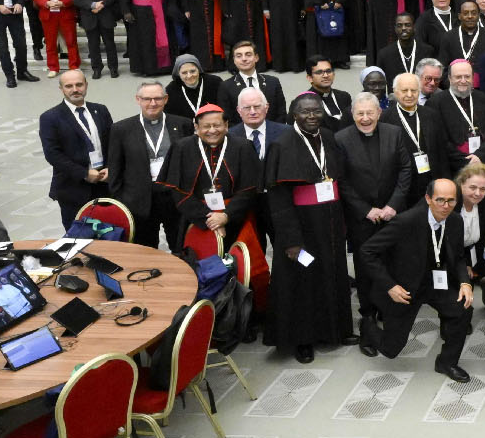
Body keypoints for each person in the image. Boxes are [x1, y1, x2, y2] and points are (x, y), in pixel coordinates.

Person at [263, 93, 354, 363]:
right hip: (300, 228)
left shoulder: (328, 137)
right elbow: (278, 199)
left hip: (329, 222)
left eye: (316, 111)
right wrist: (291, 240)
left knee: (333, 274)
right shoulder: (282, 144)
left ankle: (335, 331)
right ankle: (303, 339)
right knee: (302, 281)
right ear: (294, 114)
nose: (312, 116)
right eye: (305, 112)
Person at [357, 178, 475, 383]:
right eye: (440, 200)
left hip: (435, 283)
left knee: (463, 308)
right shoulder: (406, 221)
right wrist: (390, 286)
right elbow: (367, 251)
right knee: (391, 349)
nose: (446, 206)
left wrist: (465, 282)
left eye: (451, 201)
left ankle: (447, 362)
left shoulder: (456, 221)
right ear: (428, 198)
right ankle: (366, 325)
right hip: (404, 288)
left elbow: (458, 257)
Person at [334, 92, 416, 332]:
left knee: (393, 261)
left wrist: (393, 205)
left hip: (392, 213)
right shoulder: (341, 139)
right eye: (360, 113)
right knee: (364, 265)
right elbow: (342, 181)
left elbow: (405, 170)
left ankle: (390, 308)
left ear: (379, 113)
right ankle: (367, 313)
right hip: (363, 217)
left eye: (370, 112)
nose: (366, 118)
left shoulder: (394, 133)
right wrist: (366, 210)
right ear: (352, 114)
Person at [159, 103, 262, 263]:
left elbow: (249, 188)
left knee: (240, 268)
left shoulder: (243, 146)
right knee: (199, 267)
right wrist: (208, 218)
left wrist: (226, 216)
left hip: (236, 219)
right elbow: (178, 190)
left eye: (217, 125)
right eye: (206, 126)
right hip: (196, 220)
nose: (212, 130)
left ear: (226, 125)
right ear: (196, 127)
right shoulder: (182, 147)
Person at [106, 81, 193, 252]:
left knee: (181, 247)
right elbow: (115, 168)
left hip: (175, 197)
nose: (153, 103)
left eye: (158, 98)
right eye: (147, 99)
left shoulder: (183, 124)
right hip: (140, 201)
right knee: (145, 251)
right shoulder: (121, 129)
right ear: (138, 99)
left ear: (166, 99)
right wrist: (123, 200)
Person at [38, 69, 113, 227]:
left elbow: (113, 143)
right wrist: (84, 173)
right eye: (69, 86)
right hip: (73, 188)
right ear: (61, 89)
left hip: (104, 184)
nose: (75, 89)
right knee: (78, 238)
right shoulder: (50, 118)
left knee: (111, 233)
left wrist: (111, 168)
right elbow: (53, 154)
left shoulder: (101, 110)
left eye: (79, 84)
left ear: (86, 85)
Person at [433, 59, 485, 172]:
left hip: (481, 163)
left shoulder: (483, 99)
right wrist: (465, 161)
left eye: (467, 76)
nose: (463, 81)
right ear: (450, 78)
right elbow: (438, 139)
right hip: (452, 167)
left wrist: (479, 156)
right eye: (458, 77)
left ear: (473, 77)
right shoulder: (436, 102)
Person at [71, 0, 119, 79]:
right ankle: (97, 68)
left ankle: (113, 68)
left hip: (106, 15)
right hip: (89, 17)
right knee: (93, 45)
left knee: (110, 44)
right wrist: (92, 5)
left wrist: (102, 4)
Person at [32, 0, 80, 76]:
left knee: (71, 40)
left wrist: (63, 3)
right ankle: (53, 67)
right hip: (48, 13)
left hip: (65, 12)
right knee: (50, 42)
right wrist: (46, 3)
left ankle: (74, 65)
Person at [220, 41, 288, 125]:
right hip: (240, 136)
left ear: (256, 58)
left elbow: (281, 113)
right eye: (239, 56)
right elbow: (227, 118)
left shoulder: (273, 82)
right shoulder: (226, 86)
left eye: (248, 55)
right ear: (234, 60)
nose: (244, 59)